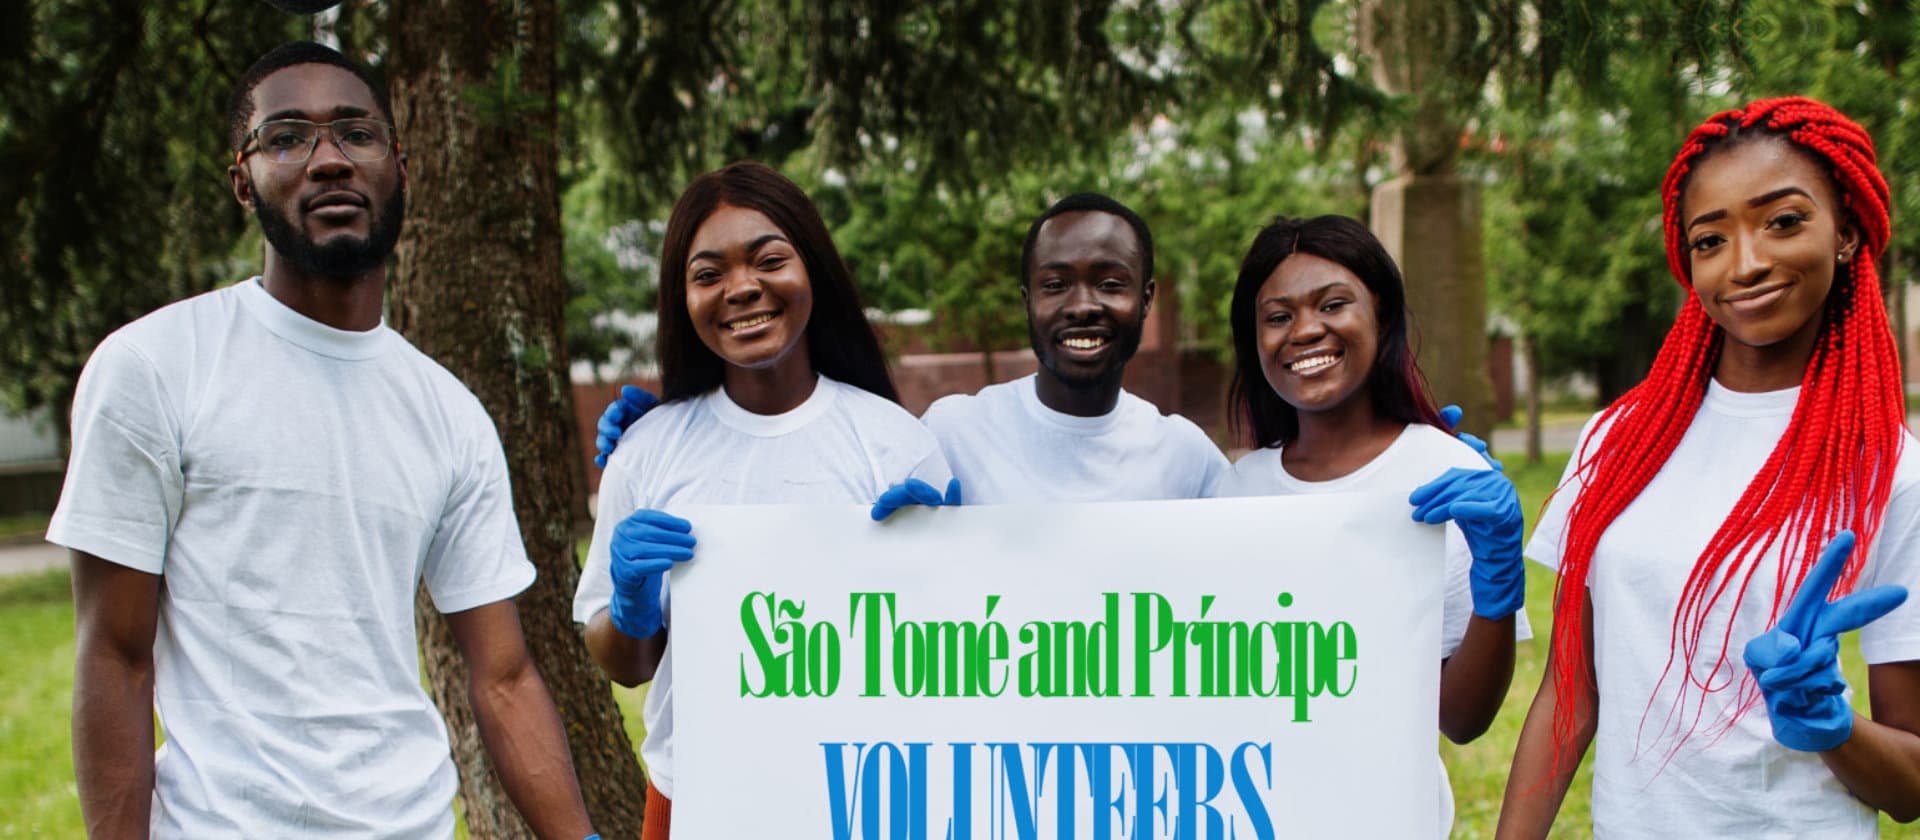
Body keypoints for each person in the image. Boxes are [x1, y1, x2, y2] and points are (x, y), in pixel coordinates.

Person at [49, 42, 597, 838]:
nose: (329, 160)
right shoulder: (155, 368)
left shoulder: (448, 413)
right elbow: (114, 659)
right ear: (243, 179)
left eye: (355, 134)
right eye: (288, 137)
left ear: (400, 166)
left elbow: (505, 678)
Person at [1496, 97, 1920, 838]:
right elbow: (1570, 694)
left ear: (1847, 231)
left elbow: (1912, 787)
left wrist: (1829, 724)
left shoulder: (1892, 471)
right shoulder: (1618, 440)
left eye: (1783, 221)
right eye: (1710, 240)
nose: (1747, 262)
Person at [573, 161, 952, 839]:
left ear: (813, 270)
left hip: (858, 802)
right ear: (681, 299)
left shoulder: (896, 443)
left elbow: (951, 659)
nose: (742, 288)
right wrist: (631, 605)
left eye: (769, 260)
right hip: (697, 801)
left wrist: (938, 561)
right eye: (708, 274)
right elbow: (623, 665)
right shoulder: (648, 449)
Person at [1211, 214, 1530, 836]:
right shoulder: (1239, 488)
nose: (1305, 330)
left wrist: (1497, 587)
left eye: (1332, 304)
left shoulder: (1445, 471)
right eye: (1277, 317)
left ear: (1380, 315)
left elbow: (1462, 721)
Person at [598, 192, 1227, 507]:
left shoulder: (1191, 460)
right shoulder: (951, 430)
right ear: (1026, 300)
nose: (1082, 305)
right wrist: (677, 427)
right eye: (1055, 285)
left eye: (1110, 284)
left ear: (1147, 301)